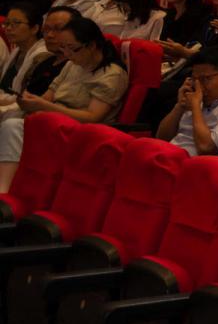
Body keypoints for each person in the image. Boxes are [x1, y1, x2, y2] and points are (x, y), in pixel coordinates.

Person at [0, 14, 128, 192]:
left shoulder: (112, 74)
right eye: (63, 48)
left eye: (72, 48)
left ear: (91, 45)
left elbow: (92, 117)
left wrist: (44, 106)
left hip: (79, 131)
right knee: (9, 116)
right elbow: (48, 97)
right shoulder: (72, 64)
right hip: (52, 119)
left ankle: (4, 188)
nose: (66, 54)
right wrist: (31, 102)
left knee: (13, 127)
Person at [156, 47, 218, 157]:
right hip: (169, 155)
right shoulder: (197, 97)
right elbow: (161, 139)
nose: (198, 85)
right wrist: (179, 106)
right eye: (194, 79)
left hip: (195, 163)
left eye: (205, 79)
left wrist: (195, 107)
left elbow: (206, 147)